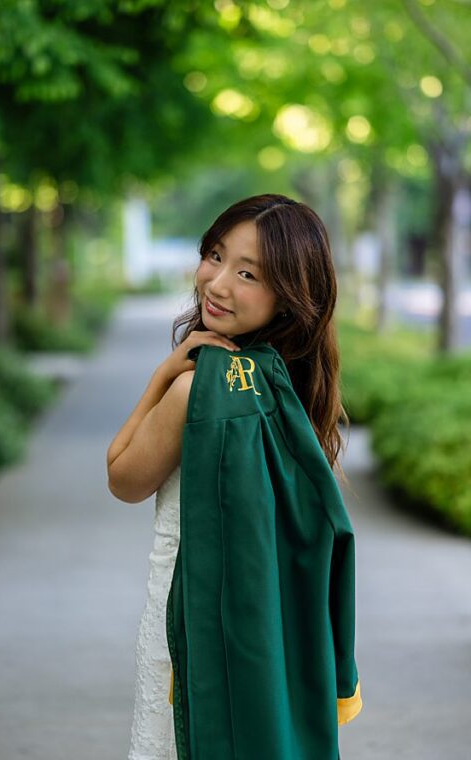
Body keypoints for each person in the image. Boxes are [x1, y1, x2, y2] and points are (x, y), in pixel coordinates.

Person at [106, 194, 361, 758]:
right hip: (268, 632)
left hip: (195, 618)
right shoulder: (289, 388)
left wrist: (165, 376)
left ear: (291, 298)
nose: (217, 283)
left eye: (247, 273)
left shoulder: (198, 390)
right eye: (214, 256)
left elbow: (122, 477)